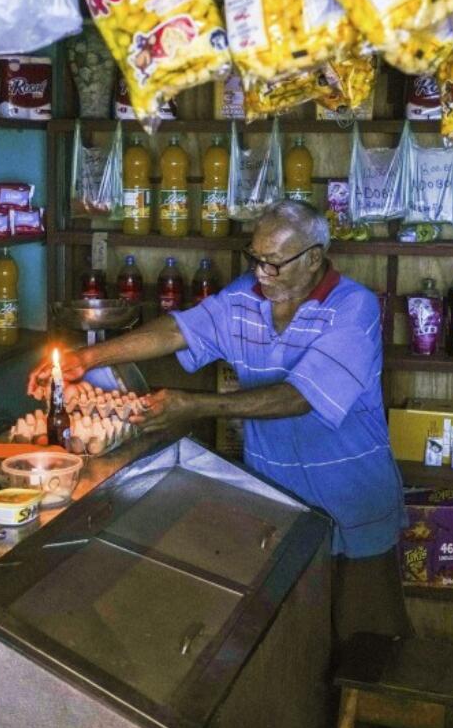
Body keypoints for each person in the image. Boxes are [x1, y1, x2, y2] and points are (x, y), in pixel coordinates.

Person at [28, 200, 410, 642]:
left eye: (274, 263)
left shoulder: (354, 309)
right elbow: (177, 331)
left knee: (368, 634)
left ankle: (373, 710)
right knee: (295, 636)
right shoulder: (245, 298)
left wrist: (193, 405)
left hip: (352, 497)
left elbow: (298, 397)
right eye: (255, 258)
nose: (261, 273)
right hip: (280, 499)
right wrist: (87, 357)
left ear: (313, 258)